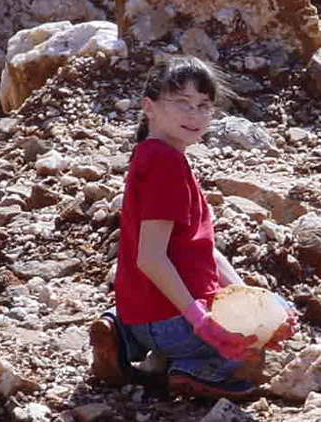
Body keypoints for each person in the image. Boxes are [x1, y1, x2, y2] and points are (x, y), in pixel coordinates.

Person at [89, 55, 297, 400]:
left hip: (137, 310)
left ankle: (124, 338)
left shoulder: (149, 154)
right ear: (149, 107)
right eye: (182, 102)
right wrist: (203, 322)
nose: (195, 114)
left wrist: (249, 298)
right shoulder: (166, 165)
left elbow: (203, 249)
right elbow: (151, 258)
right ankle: (195, 369)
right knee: (255, 345)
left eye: (203, 105)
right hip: (172, 323)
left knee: (267, 305)